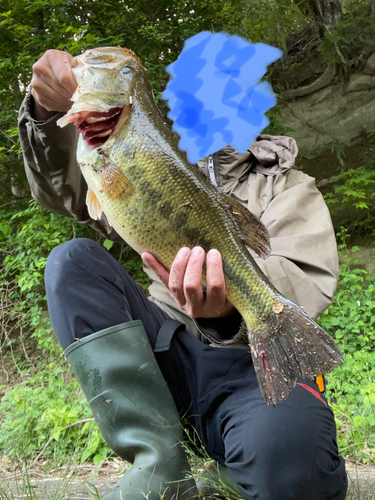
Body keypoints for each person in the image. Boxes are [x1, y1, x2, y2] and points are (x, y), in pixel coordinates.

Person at [19, 49, 348, 500]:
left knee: (295, 473)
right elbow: (65, 191)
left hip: (253, 370)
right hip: (166, 355)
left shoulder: (289, 187)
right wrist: (43, 114)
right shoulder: (141, 148)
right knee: (71, 263)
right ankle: (160, 470)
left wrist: (228, 309)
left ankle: (235, 467)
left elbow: (304, 278)